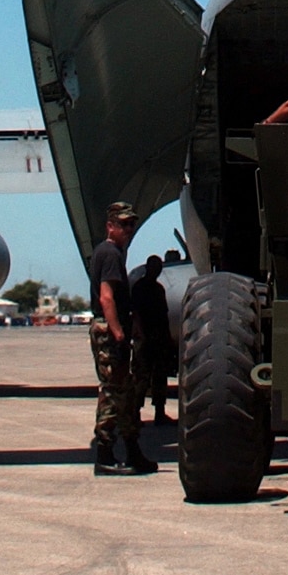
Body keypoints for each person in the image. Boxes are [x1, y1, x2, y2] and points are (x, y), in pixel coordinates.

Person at [88, 201, 157, 476]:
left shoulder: (114, 252)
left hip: (115, 330)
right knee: (113, 392)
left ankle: (133, 451)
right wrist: (118, 333)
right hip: (110, 332)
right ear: (110, 226)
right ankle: (104, 454)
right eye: (124, 224)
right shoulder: (110, 253)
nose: (129, 229)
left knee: (125, 393)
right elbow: (106, 297)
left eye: (132, 224)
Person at [130, 254, 174, 425]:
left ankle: (159, 412)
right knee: (141, 377)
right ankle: (135, 413)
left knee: (160, 376)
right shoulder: (140, 288)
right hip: (145, 338)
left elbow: (164, 315)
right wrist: (140, 334)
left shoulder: (158, 289)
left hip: (159, 337)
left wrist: (168, 337)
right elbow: (136, 314)